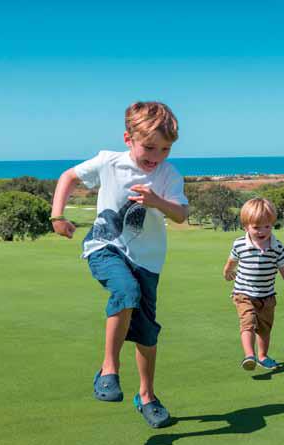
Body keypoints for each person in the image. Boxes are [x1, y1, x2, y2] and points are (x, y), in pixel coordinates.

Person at [50, 101, 188, 428]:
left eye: (165, 149)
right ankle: (109, 369)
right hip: (105, 246)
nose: (156, 156)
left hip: (148, 262)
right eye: (150, 148)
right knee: (125, 291)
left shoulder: (169, 174)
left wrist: (157, 201)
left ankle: (146, 396)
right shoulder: (109, 161)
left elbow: (181, 214)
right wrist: (57, 216)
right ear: (129, 139)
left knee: (147, 335)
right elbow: (68, 176)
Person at [223, 198, 284, 371]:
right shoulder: (240, 244)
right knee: (248, 322)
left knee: (265, 328)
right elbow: (231, 261)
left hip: (267, 296)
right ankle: (249, 356)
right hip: (243, 294)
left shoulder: (277, 247)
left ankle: (263, 356)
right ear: (246, 227)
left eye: (267, 226)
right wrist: (227, 271)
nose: (262, 231)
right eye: (256, 227)